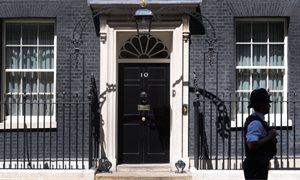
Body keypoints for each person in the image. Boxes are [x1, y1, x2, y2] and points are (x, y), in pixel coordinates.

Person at [243, 88, 278, 180]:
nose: (269, 106)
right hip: (256, 167)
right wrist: (269, 136)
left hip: (258, 166)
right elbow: (252, 145)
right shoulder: (255, 123)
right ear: (263, 106)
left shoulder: (258, 121)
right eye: (268, 104)